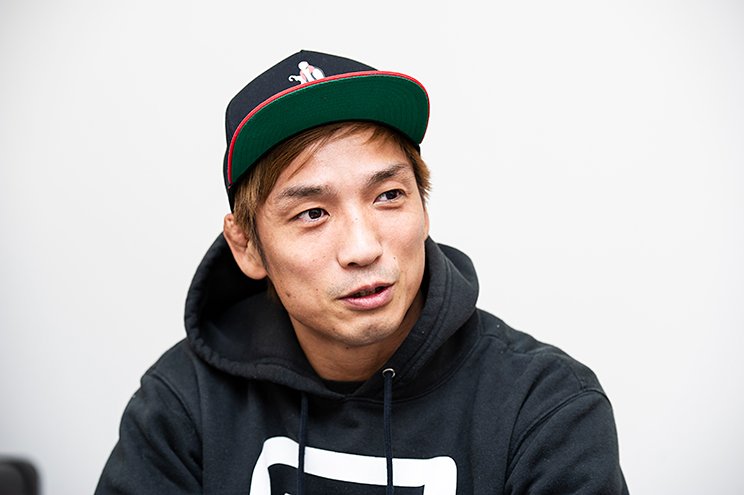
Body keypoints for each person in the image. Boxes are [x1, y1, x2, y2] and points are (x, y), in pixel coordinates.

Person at [95, 50, 628, 494]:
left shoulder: (544, 408)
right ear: (247, 246)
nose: (362, 247)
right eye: (312, 213)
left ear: (424, 208)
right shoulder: (184, 404)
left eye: (388, 196)